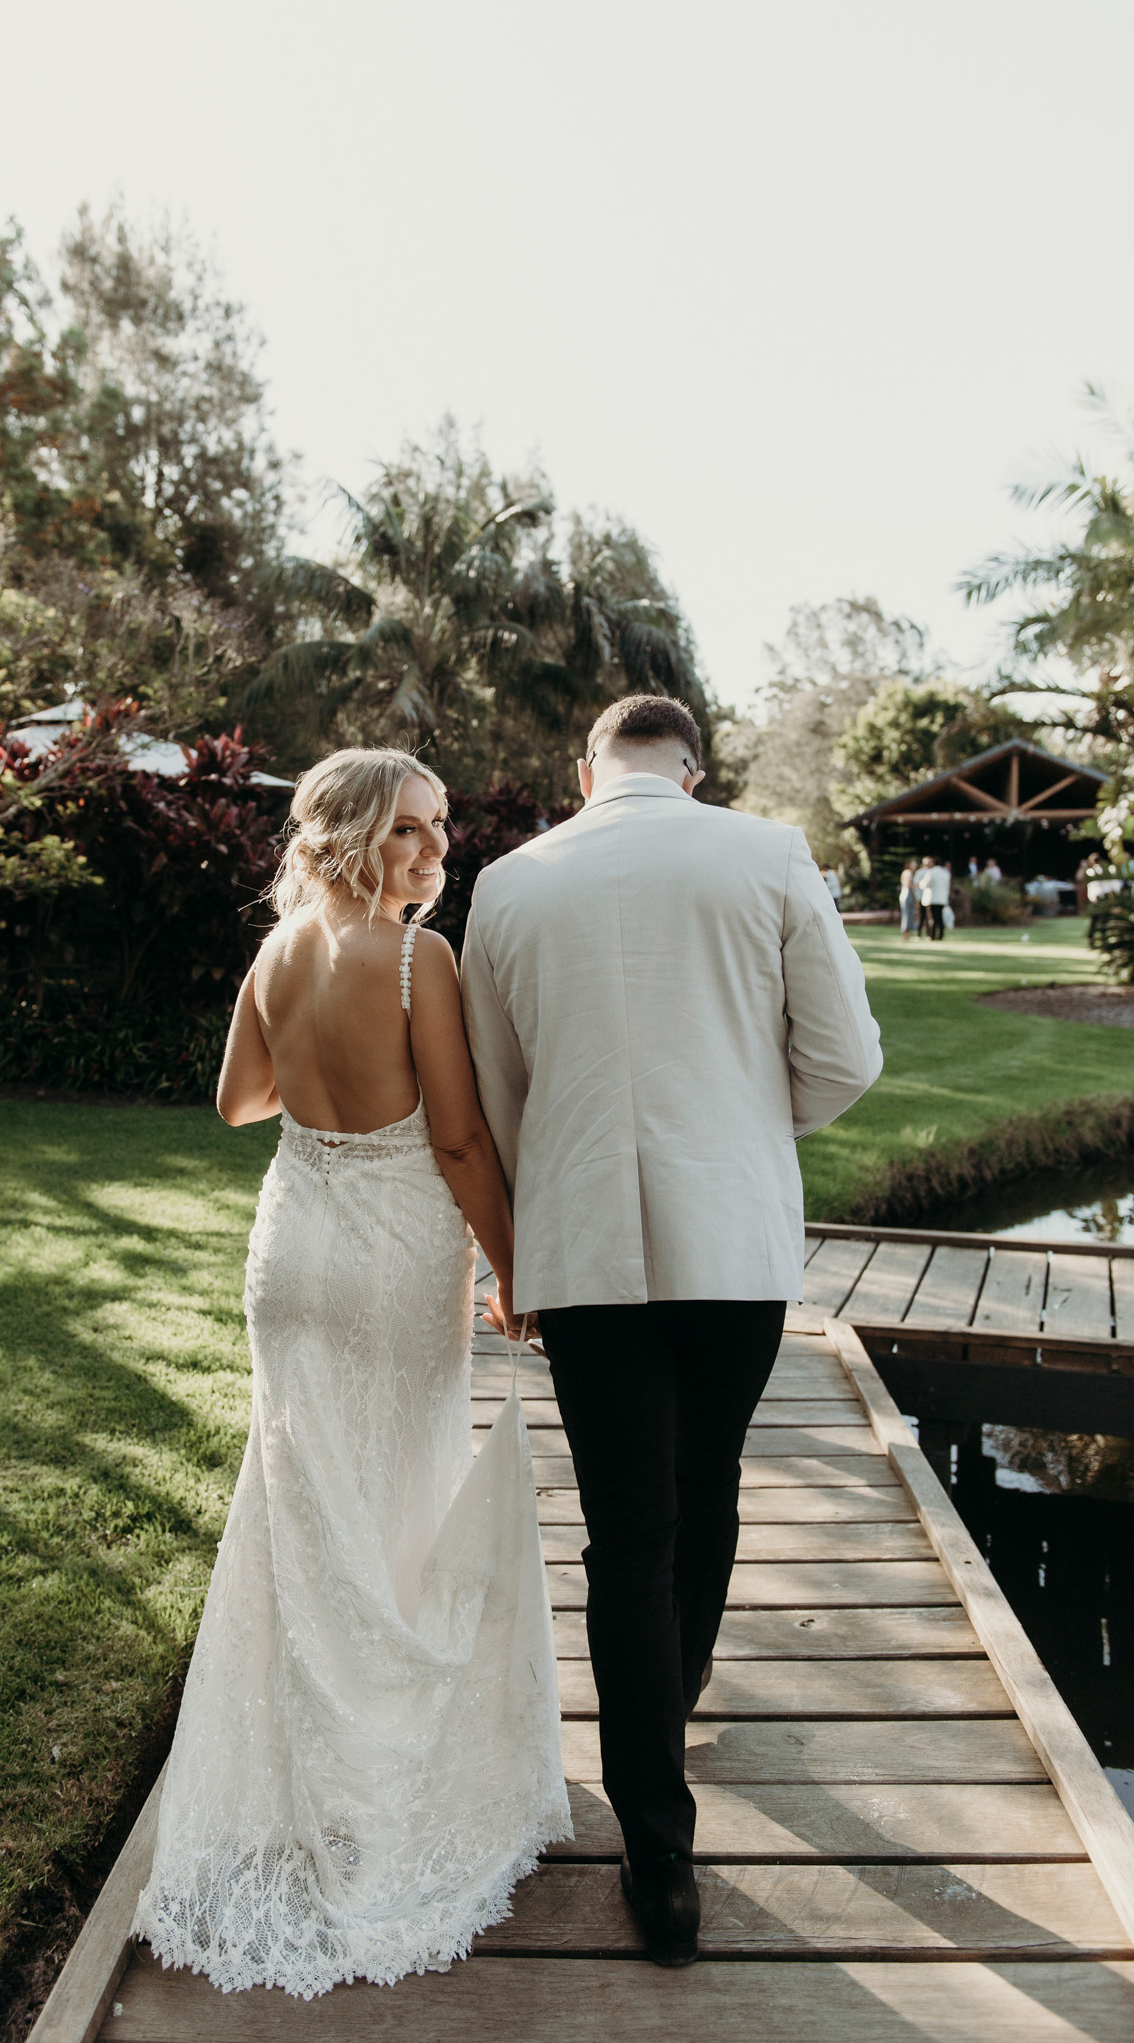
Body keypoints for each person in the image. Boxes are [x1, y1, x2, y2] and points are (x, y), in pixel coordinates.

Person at [133, 749, 571, 1999]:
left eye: (441, 832)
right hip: (388, 1267)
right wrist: (513, 1265)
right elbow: (456, 1133)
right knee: (391, 1504)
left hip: (291, 1256)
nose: (438, 855)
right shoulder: (414, 960)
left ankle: (303, 1768)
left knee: (305, 1508)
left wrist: (319, 1082)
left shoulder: (275, 954)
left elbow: (237, 1101)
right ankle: (379, 1771)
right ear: (354, 837)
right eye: (412, 835)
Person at [460, 695, 881, 1968]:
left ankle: (660, 1855)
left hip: (581, 1248)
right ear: (695, 768)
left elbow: (494, 1086)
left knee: (626, 1530)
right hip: (733, 1237)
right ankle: (674, 1693)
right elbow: (848, 1056)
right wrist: (749, 1127)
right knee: (710, 1482)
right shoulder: (768, 852)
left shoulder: (513, 881)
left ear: (583, 767)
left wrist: (536, 1223)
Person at [917, 854, 950, 939]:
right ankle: (940, 935)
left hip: (932, 898)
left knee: (932, 918)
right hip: (942, 899)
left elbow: (925, 884)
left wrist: (920, 884)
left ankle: (931, 935)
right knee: (940, 918)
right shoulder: (945, 873)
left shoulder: (931, 872)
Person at [899, 861, 919, 940]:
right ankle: (905, 934)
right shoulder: (908, 872)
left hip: (907, 894)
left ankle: (907, 934)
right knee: (907, 915)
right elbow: (908, 884)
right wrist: (917, 885)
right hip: (907, 895)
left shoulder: (907, 872)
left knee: (909, 915)